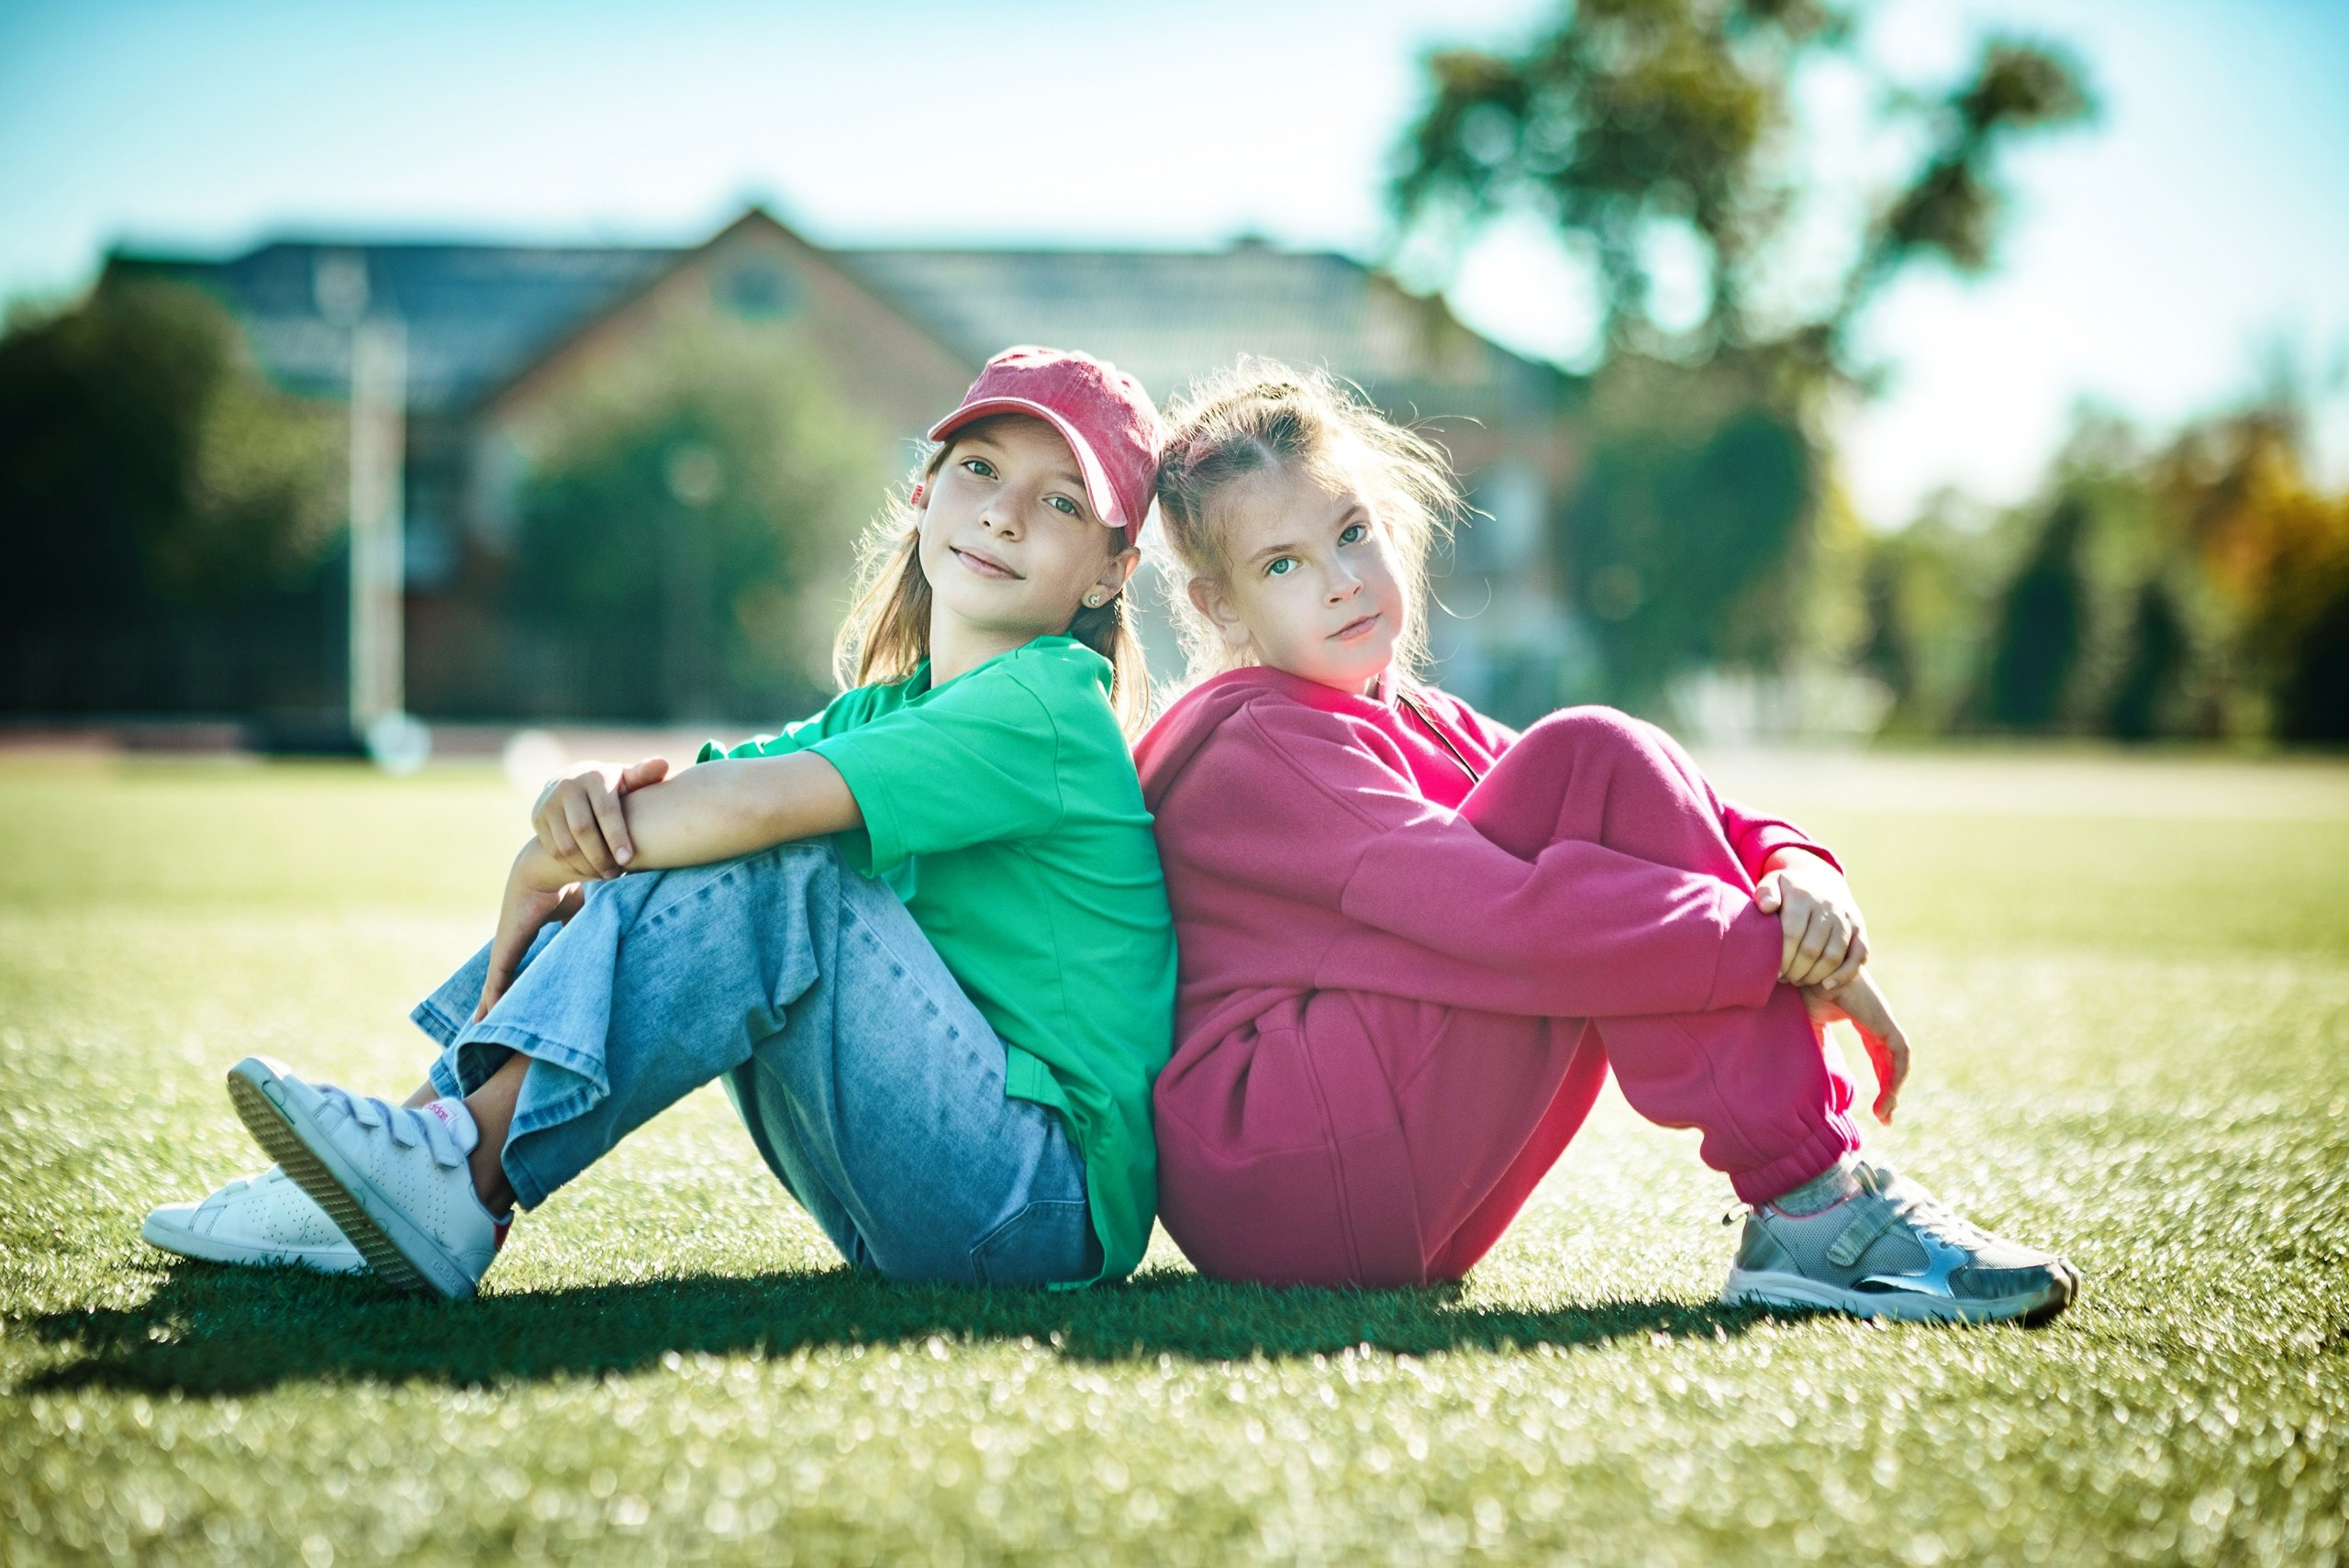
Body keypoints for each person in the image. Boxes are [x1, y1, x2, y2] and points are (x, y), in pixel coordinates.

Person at [144, 347, 1177, 1299]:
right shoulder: (888, 709)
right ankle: (414, 1150)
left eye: (1061, 501)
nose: (1002, 514)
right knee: (699, 843)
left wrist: (556, 853)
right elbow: (693, 803)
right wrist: (551, 850)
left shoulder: (1049, 701)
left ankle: (455, 1172)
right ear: (923, 489)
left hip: (1037, 1202)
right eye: (981, 469)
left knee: (779, 860)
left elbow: (752, 811)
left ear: (1107, 573)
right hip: (922, 1184)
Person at [1131, 360, 2079, 1324]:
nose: (1339, 582)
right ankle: (1816, 1207)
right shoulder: (1256, 747)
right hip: (1284, 1173)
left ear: (1389, 521)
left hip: (1377, 1182)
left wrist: (1796, 872)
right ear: (1218, 605)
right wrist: (1771, 949)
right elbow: (1504, 916)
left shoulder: (1416, 716)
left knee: (1596, 760)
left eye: (1350, 532)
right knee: (1589, 756)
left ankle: (1815, 1205)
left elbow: (1659, 806)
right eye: (1281, 565)